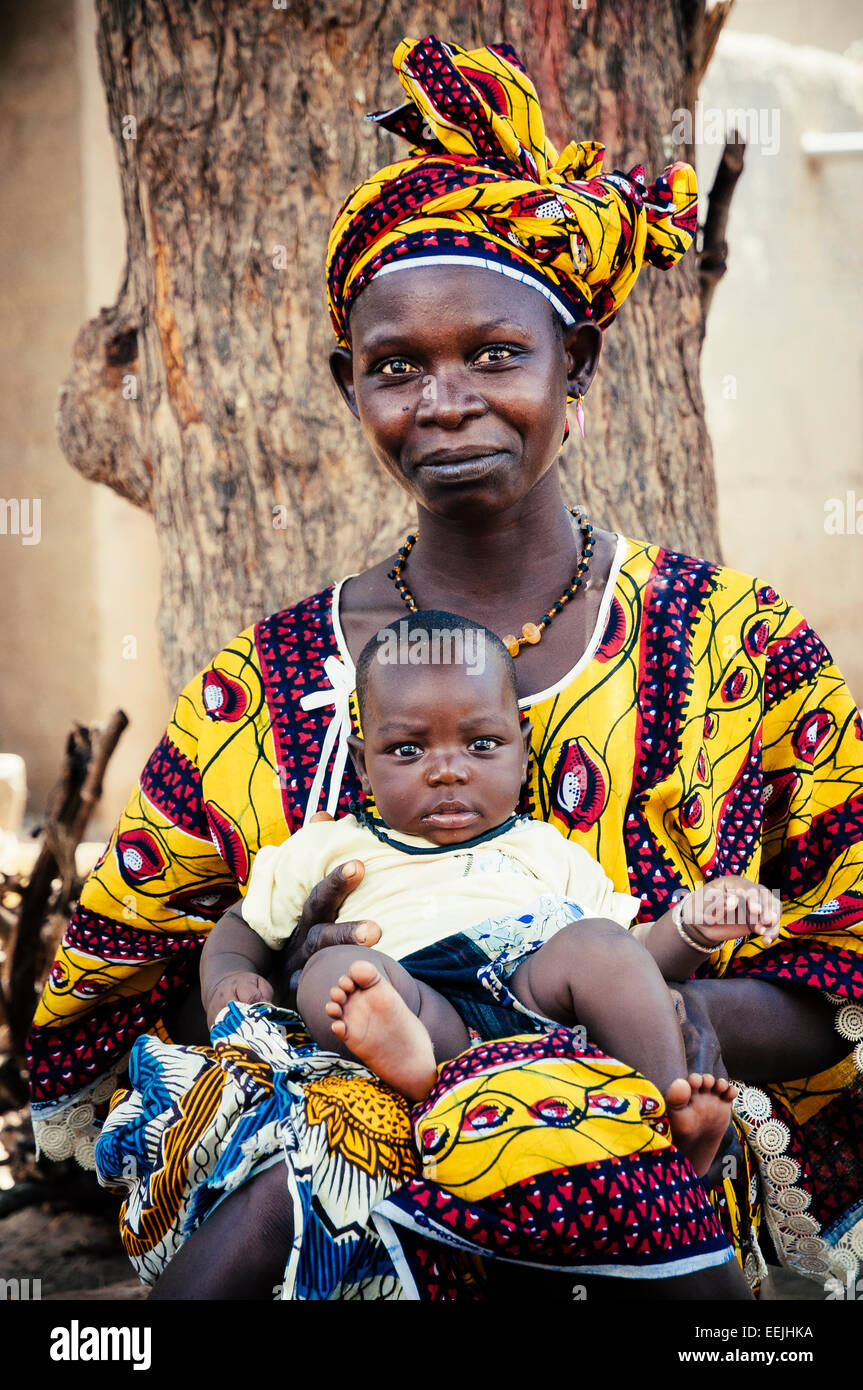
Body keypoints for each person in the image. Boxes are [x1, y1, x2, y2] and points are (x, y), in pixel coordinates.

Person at [30, 34, 863, 1301]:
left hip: (639, 1176)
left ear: (575, 368)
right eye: (395, 367)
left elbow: (837, 961)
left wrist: (642, 1018)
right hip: (347, 1184)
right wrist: (299, 981)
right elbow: (130, 969)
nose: (445, 401)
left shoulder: (744, 653)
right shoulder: (264, 686)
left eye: (495, 353)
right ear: (345, 384)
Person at [203, 608, 781, 1182]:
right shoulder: (328, 848)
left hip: (531, 995)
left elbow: (637, 956)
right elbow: (245, 924)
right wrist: (228, 974)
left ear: (521, 749)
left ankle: (668, 1108)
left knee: (601, 943)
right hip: (416, 997)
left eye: (482, 744)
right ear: (361, 763)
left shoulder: (546, 850)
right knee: (337, 971)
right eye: (408, 750)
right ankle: (411, 1060)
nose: (447, 772)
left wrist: (690, 930)